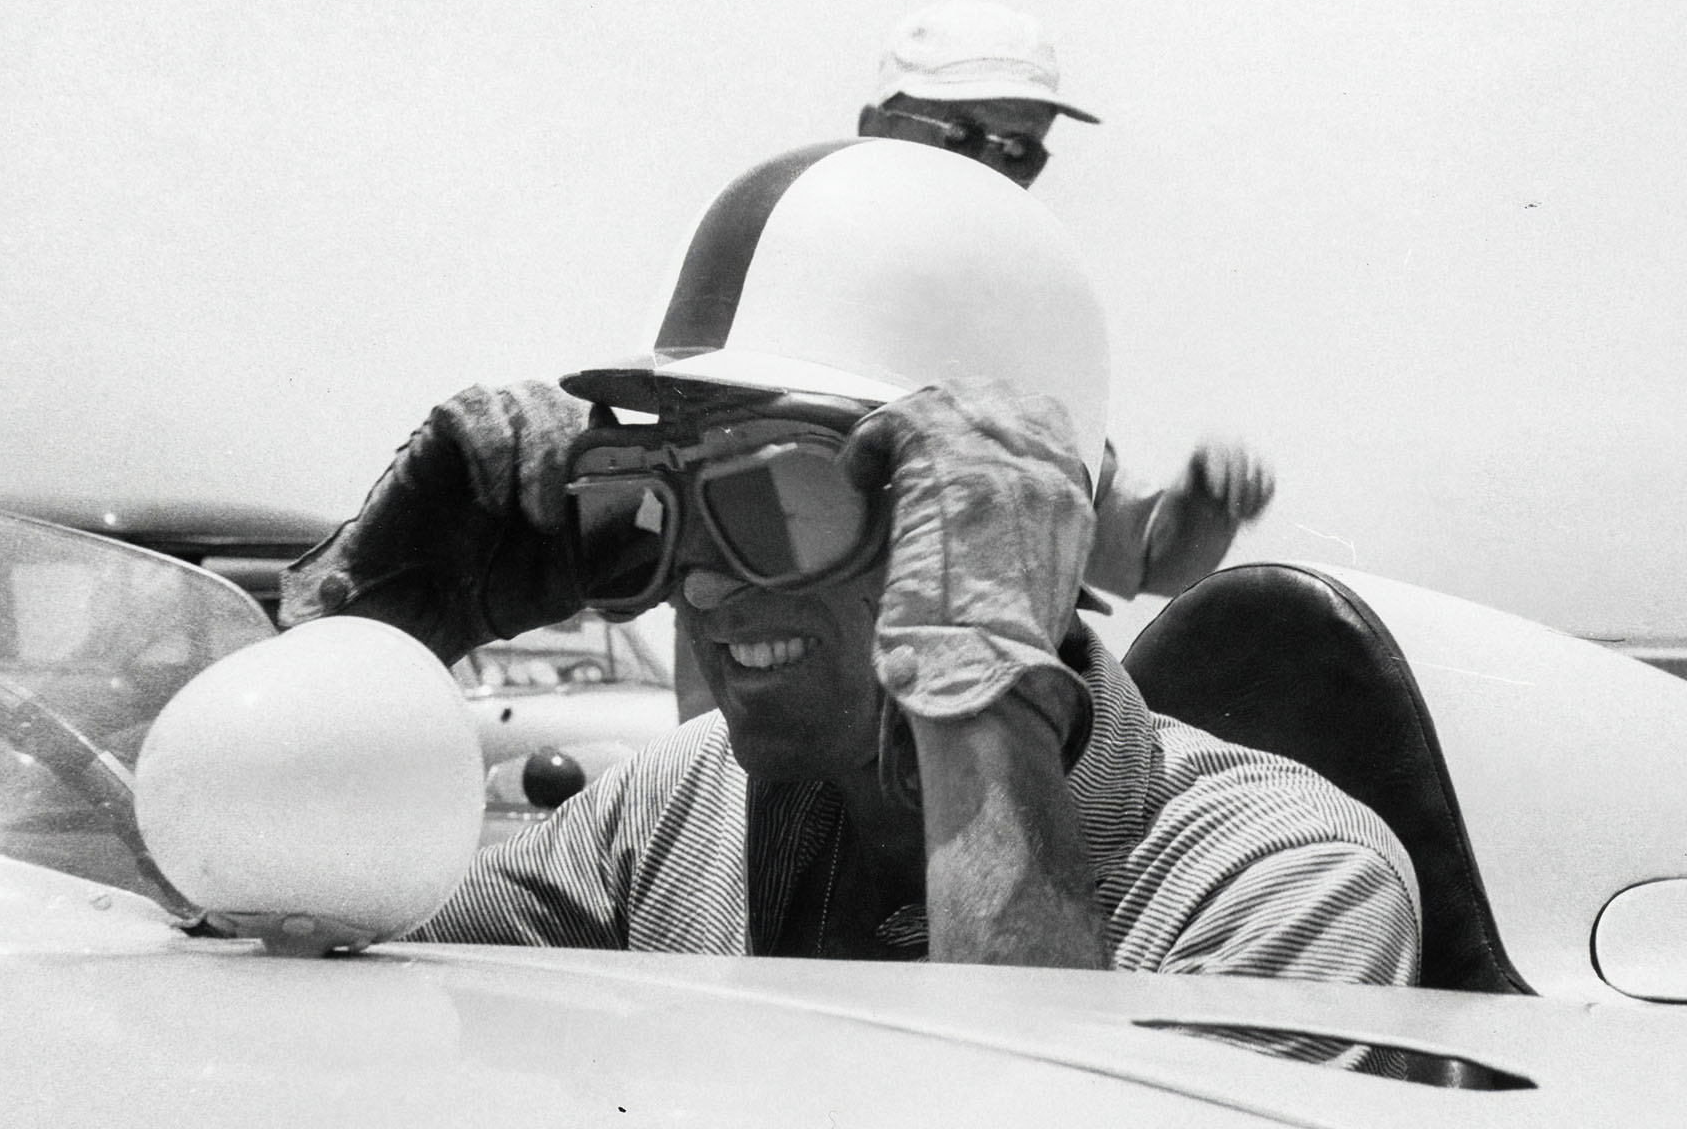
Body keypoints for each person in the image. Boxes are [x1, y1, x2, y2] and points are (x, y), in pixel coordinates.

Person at [281, 140, 1418, 1073]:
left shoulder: (1284, 882)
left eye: (783, 496)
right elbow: (285, 1019)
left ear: (1017, 527)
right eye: (662, 505)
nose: (705, 581)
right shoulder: (679, 809)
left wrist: (978, 697)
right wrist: (343, 669)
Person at [666, 0, 1278, 724]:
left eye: (1020, 149)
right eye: (963, 135)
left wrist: (1203, 506)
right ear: (875, 127)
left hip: (959, 751)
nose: (994, 165)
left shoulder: (1008, 342)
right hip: (768, 726)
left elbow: (1142, 559)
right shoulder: (783, 278)